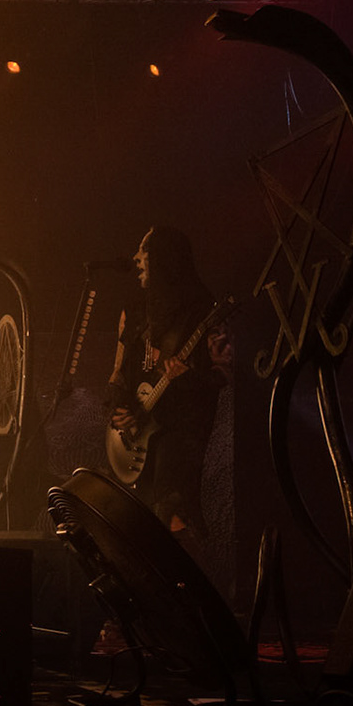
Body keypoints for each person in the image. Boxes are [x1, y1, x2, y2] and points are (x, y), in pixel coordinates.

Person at [106, 226, 224, 536]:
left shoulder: (201, 311)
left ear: (164, 259)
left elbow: (224, 374)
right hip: (139, 437)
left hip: (181, 435)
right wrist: (121, 407)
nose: (136, 258)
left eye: (143, 251)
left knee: (172, 516)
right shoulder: (134, 312)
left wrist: (190, 378)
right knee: (137, 523)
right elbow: (119, 372)